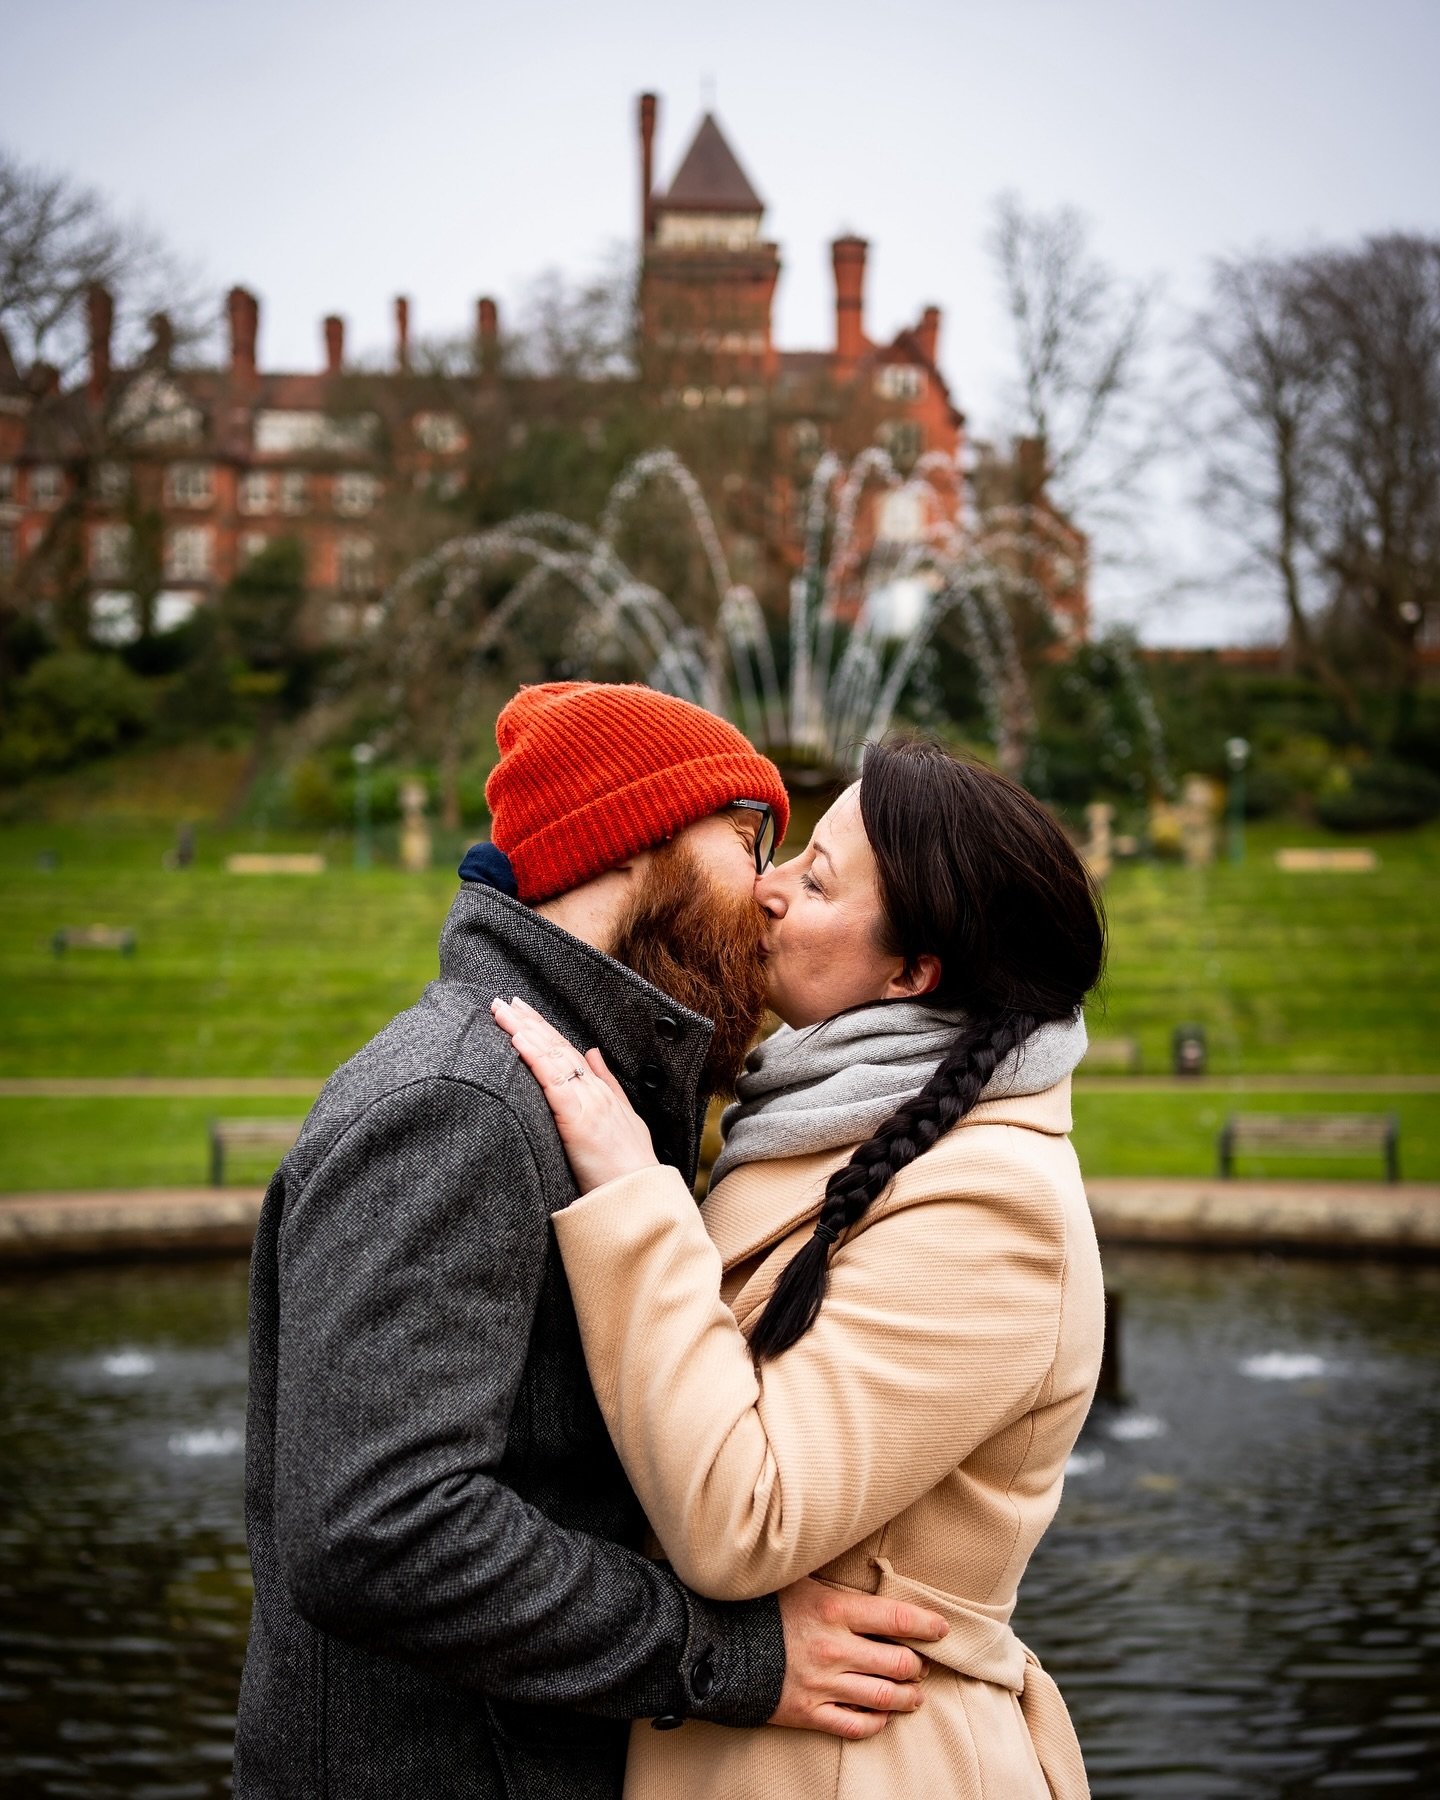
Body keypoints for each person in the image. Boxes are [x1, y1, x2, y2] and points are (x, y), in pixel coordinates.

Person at [235, 685, 948, 1800]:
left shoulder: (582, 1088)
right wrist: (731, 1656)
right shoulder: (462, 1102)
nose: (766, 885)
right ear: (638, 840)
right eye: (744, 837)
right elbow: (379, 1530)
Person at [494, 737, 1108, 1800]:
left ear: (914, 974)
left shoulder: (994, 1205)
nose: (765, 891)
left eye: (816, 879)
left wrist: (633, 1198)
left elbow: (748, 1519)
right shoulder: (820, 1124)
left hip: (862, 1761)